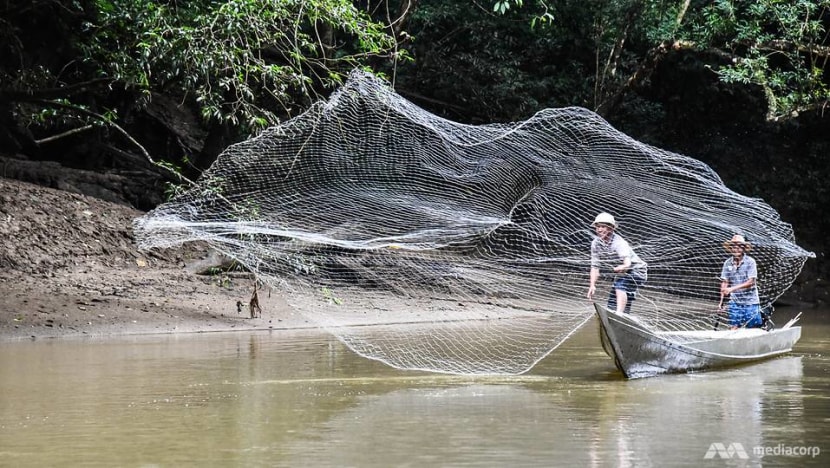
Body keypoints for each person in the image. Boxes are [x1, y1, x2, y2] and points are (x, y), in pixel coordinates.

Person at [587, 212, 648, 314]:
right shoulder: (595, 244)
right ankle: (621, 316)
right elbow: (595, 266)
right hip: (622, 274)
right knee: (613, 300)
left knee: (620, 286)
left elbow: (627, 263)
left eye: (603, 227)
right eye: (597, 227)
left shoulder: (619, 243)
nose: (599, 230)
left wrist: (623, 266)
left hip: (638, 271)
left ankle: (619, 315)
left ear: (611, 228)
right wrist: (592, 285)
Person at [719, 234, 763, 329]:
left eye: (739, 246)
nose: (736, 249)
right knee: (733, 327)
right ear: (731, 248)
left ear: (743, 248)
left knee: (753, 329)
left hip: (751, 301)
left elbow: (751, 282)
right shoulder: (727, 263)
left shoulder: (750, 262)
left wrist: (731, 289)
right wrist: (721, 302)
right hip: (735, 301)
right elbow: (725, 282)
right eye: (734, 247)